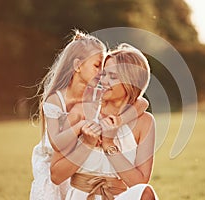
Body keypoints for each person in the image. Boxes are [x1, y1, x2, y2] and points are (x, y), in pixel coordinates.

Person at [30, 31, 149, 200]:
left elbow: (142, 102)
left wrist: (119, 121)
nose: (102, 73)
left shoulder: (95, 94)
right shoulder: (57, 100)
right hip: (55, 154)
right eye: (97, 66)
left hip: (74, 163)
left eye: (105, 70)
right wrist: (81, 129)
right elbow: (57, 144)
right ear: (78, 66)